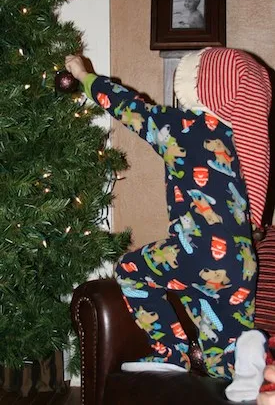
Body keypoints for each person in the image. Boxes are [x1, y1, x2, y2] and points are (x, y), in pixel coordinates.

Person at [65, 47, 271, 401]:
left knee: (130, 270)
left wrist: (85, 78)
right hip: (241, 264)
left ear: (202, 86)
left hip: (199, 254)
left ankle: (170, 352)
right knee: (219, 350)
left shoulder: (182, 127)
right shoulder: (240, 139)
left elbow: (131, 107)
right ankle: (247, 358)